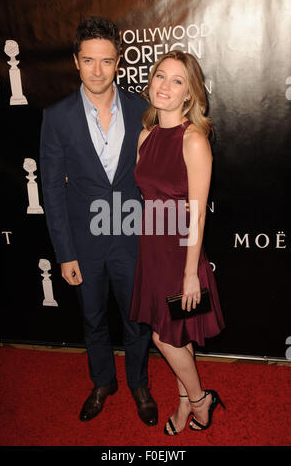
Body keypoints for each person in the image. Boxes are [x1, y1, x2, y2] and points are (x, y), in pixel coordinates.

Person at [40, 15, 158, 426]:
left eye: (105, 61)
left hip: (131, 236)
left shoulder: (142, 109)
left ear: (118, 63)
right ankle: (102, 381)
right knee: (92, 318)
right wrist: (65, 253)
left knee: (136, 318)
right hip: (84, 242)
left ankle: (139, 383)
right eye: (88, 60)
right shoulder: (57, 117)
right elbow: (51, 190)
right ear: (76, 61)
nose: (96, 70)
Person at [130, 50, 225, 435]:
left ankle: (201, 399)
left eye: (177, 81)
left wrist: (190, 274)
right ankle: (187, 400)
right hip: (152, 251)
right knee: (176, 335)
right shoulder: (145, 135)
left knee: (162, 337)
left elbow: (198, 214)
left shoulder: (194, 141)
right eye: (159, 76)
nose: (164, 86)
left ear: (189, 94)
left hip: (182, 258)